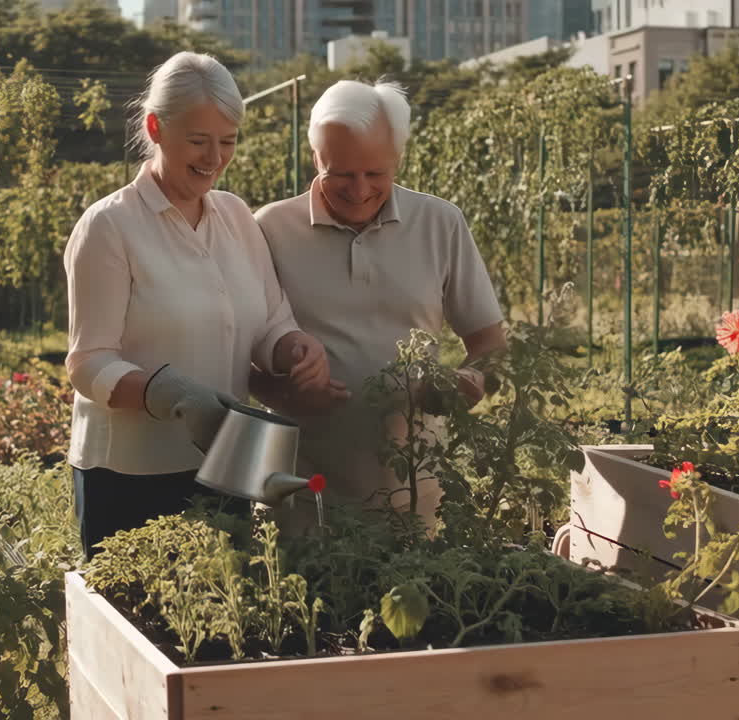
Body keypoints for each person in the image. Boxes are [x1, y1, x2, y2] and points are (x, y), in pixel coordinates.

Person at [63, 51, 330, 558]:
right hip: (128, 478)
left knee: (220, 624)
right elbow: (87, 363)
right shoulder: (110, 228)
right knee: (135, 630)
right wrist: (168, 392)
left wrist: (294, 348)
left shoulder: (234, 216)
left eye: (227, 142)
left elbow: (270, 321)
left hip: (223, 467)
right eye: (198, 141)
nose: (214, 157)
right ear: (155, 127)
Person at [252, 79, 506, 526]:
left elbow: (490, 343)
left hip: (415, 490)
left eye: (376, 173)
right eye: (341, 174)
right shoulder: (269, 229)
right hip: (297, 493)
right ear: (315, 158)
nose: (360, 189)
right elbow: (240, 355)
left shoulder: (439, 224)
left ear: (398, 159)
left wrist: (467, 382)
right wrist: (285, 392)